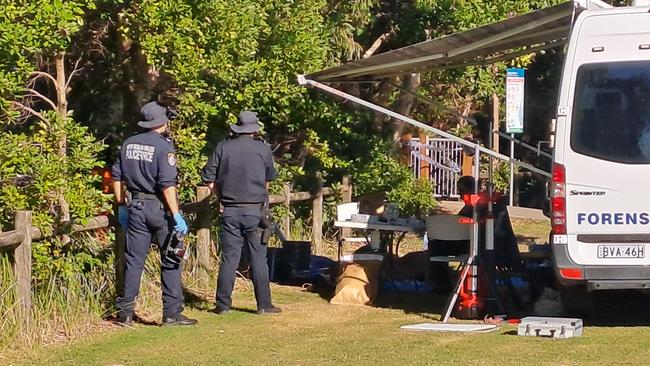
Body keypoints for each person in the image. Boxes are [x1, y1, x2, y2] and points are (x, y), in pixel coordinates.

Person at [111, 101, 197, 326]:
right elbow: (167, 184)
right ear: (162, 122)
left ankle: (125, 313)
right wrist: (176, 213)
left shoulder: (128, 144)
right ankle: (171, 313)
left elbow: (117, 176)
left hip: (135, 207)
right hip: (160, 209)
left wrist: (121, 204)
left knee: (134, 261)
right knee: (171, 259)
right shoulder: (163, 147)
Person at [200, 110, 281, 315]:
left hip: (230, 210)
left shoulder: (222, 148)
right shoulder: (263, 150)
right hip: (255, 211)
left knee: (229, 258)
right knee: (258, 258)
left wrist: (221, 198)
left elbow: (208, 179)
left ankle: (222, 304)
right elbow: (269, 178)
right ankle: (264, 304)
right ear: (254, 130)